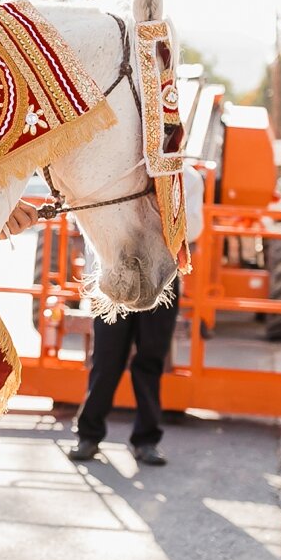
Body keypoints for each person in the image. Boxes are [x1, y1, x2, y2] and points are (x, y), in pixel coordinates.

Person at [64, 165, 203, 467]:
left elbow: (194, 227)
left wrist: (161, 207)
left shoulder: (188, 178)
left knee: (151, 359)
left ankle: (146, 440)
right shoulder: (118, 173)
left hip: (162, 276)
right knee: (106, 357)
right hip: (117, 274)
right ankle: (88, 435)